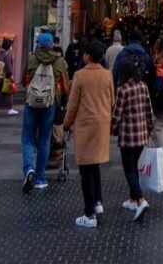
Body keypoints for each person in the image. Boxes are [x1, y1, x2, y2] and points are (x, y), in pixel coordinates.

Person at [63, 41, 115, 229]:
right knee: (95, 167)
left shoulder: (80, 75)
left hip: (85, 125)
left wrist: (66, 124)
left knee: (86, 170)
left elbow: (73, 104)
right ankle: (98, 203)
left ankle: (89, 213)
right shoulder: (107, 75)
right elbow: (112, 100)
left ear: (87, 56)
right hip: (102, 124)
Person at [21, 31, 68, 193]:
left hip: (31, 103)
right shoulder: (59, 61)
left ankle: (28, 169)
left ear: (39, 44)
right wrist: (64, 103)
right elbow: (65, 85)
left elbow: (23, 79)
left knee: (27, 137)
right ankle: (41, 177)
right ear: (52, 45)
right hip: (50, 104)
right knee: (44, 139)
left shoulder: (31, 59)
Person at [112, 61, 153, 222]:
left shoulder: (123, 89)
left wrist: (110, 128)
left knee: (129, 169)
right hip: (142, 134)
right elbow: (149, 110)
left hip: (128, 135)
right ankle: (132, 200)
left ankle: (141, 200)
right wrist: (150, 128)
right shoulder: (143, 86)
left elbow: (117, 113)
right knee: (134, 167)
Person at [0, 37, 17, 117]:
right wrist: (10, 75)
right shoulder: (7, 55)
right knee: (8, 93)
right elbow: (8, 67)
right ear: (9, 46)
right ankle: (10, 109)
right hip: (5, 76)